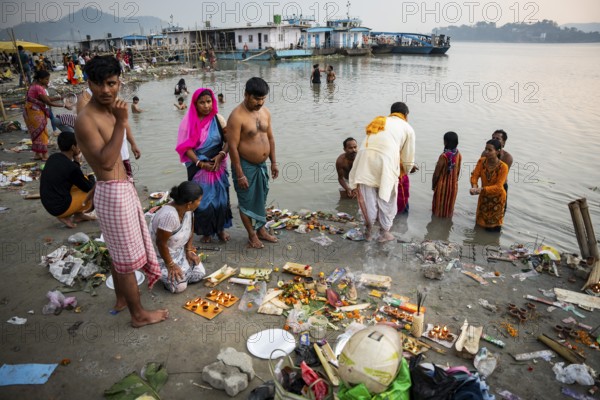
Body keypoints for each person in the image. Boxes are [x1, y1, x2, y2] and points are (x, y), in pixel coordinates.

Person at [75, 55, 167, 327]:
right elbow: (104, 160)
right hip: (112, 192)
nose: (105, 90)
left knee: (118, 254)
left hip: (120, 186)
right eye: (98, 84)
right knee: (126, 261)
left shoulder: (111, 109)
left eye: (111, 83)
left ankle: (121, 299)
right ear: (88, 83)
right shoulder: (86, 119)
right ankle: (138, 315)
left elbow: (120, 142)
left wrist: (122, 124)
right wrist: (120, 121)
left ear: (119, 82)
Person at [349, 102, 416, 242]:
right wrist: (406, 171)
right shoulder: (407, 128)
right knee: (387, 198)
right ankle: (384, 233)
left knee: (368, 198)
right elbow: (408, 159)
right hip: (386, 162)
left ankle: (367, 231)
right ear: (406, 115)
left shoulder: (379, 121)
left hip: (364, 160)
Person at [176, 88, 233, 243]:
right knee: (201, 200)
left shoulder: (219, 119)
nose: (206, 105)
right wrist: (200, 163)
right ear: (195, 104)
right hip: (198, 167)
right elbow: (186, 148)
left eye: (208, 101)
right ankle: (206, 232)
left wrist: (221, 155)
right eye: (202, 102)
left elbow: (229, 140)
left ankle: (220, 229)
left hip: (217, 165)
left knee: (221, 199)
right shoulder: (188, 122)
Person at [227, 77, 278, 249]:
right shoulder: (236, 116)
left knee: (261, 198)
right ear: (246, 95)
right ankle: (252, 235)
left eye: (263, 98)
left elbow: (270, 138)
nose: (260, 102)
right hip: (245, 165)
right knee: (246, 201)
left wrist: (274, 162)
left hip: (261, 165)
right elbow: (232, 147)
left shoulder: (265, 112)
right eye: (256, 98)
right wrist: (239, 173)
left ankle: (262, 230)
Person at [151, 182, 206, 293]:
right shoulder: (169, 216)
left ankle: (180, 274)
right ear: (190, 203)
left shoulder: (188, 210)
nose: (200, 203)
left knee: (200, 274)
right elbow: (161, 243)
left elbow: (190, 228)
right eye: (199, 200)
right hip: (163, 256)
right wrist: (170, 265)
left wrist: (189, 250)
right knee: (180, 287)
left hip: (178, 251)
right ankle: (161, 273)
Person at [40, 131, 96, 228]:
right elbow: (88, 187)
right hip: (59, 207)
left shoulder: (53, 157)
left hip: (48, 203)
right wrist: (92, 177)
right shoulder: (71, 167)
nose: (79, 147)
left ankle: (79, 215)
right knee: (94, 190)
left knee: (82, 181)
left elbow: (74, 175)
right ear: (73, 147)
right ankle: (65, 216)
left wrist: (77, 161)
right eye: (78, 145)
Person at [24, 70, 66, 161]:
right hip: (35, 113)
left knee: (36, 134)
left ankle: (37, 154)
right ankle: (45, 155)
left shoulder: (33, 86)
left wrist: (60, 97)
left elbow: (46, 99)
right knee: (42, 133)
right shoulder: (38, 88)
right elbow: (48, 102)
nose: (48, 81)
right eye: (46, 79)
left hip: (29, 113)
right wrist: (63, 105)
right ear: (40, 79)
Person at [470, 139, 508, 231]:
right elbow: (474, 176)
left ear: (498, 151)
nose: (486, 152)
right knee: (479, 225)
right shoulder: (481, 161)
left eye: (490, 150)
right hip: (483, 198)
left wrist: (481, 189)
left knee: (494, 228)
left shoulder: (503, 167)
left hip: (497, 200)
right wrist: (474, 187)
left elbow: (499, 187)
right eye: (485, 149)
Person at [432, 131, 462, 217]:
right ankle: (446, 226)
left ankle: (436, 227)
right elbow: (458, 172)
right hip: (453, 186)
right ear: (457, 143)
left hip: (442, 186)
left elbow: (436, 174)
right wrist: (454, 183)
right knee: (449, 209)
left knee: (437, 210)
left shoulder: (444, 156)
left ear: (445, 142)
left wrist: (433, 186)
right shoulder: (459, 154)